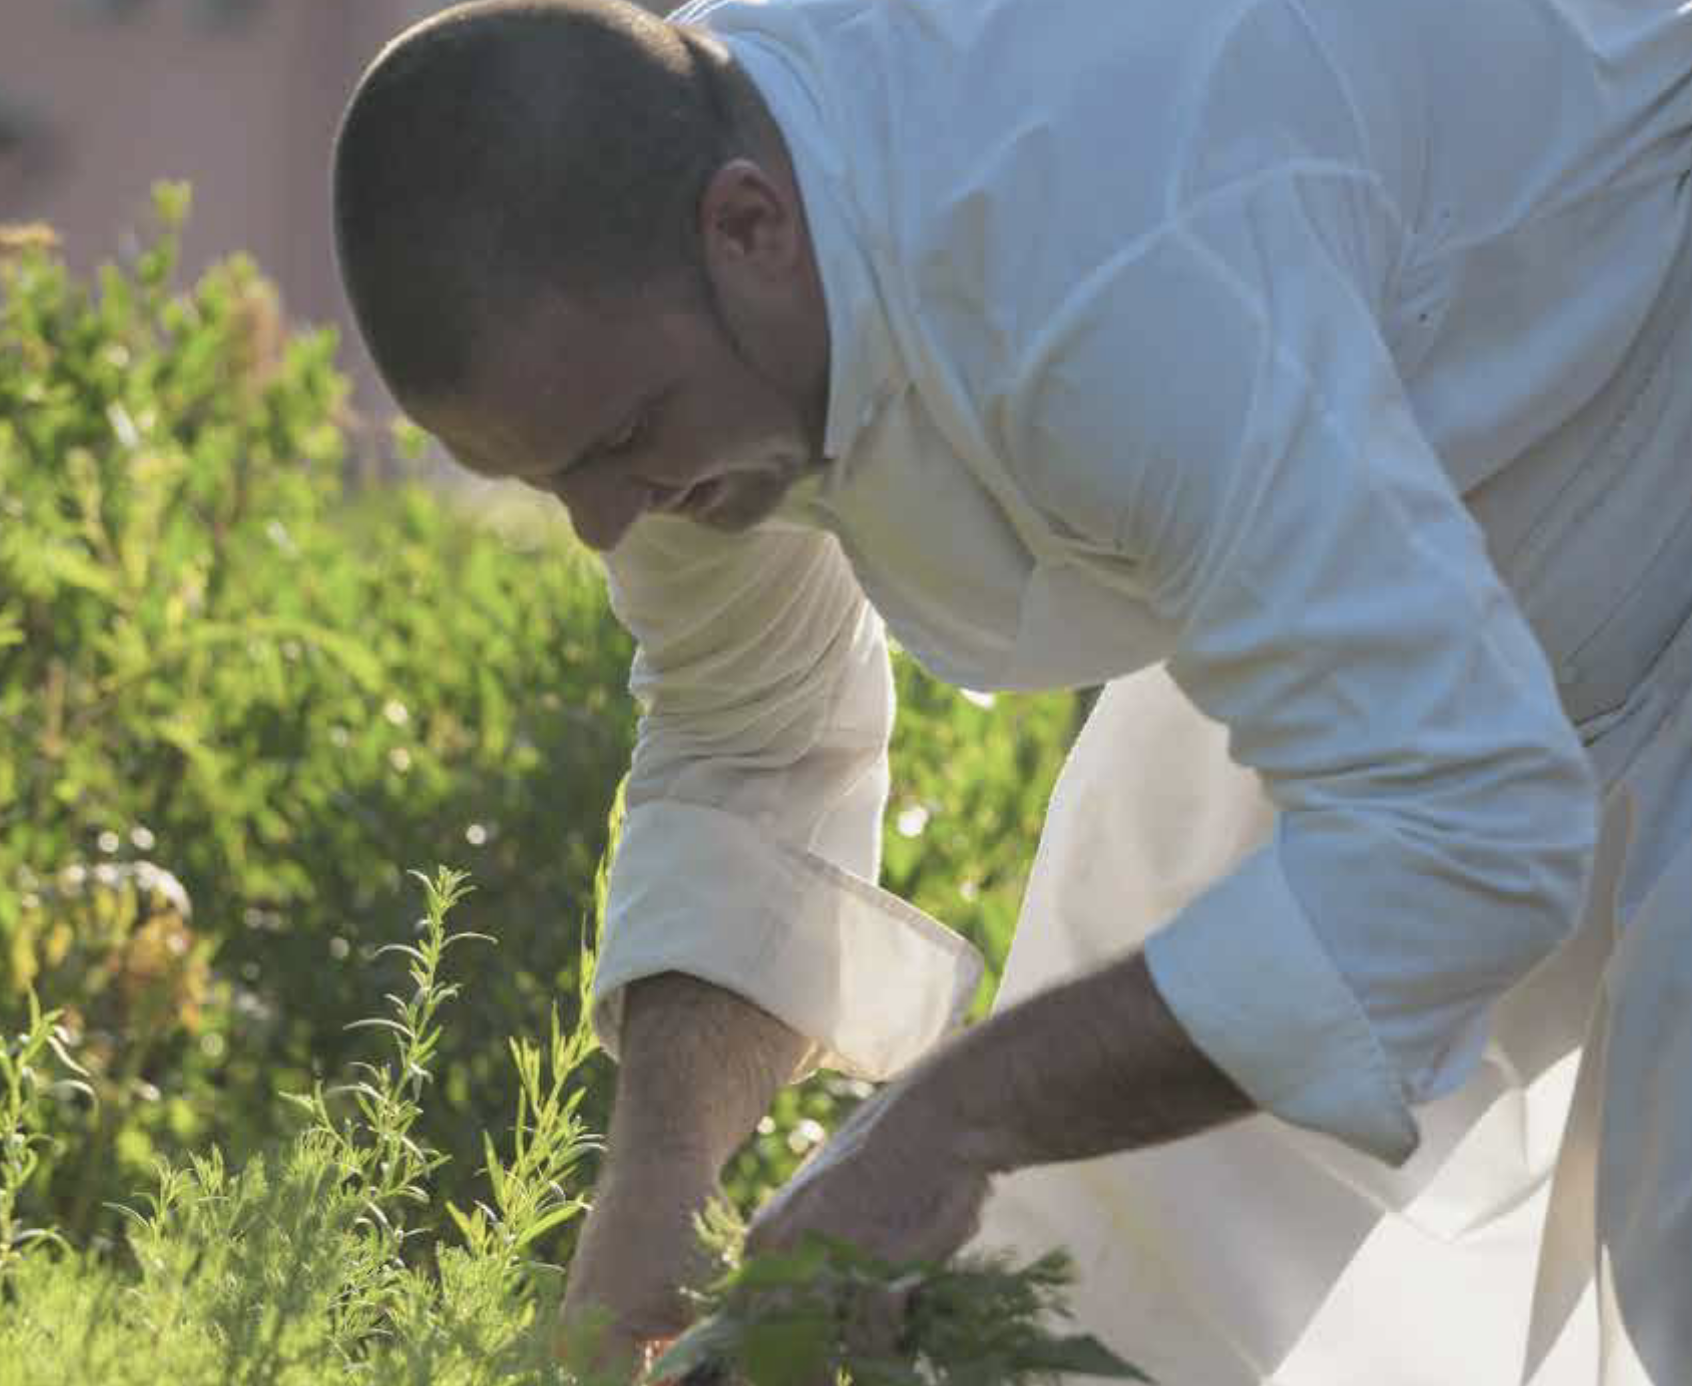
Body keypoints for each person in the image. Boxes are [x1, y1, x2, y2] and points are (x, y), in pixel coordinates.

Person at [330, 0, 1692, 1379]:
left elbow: (1469, 836)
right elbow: (745, 724)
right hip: (1391, 590)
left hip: (1652, 447)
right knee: (1081, 1289)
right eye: (549, 475)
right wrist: (655, 1188)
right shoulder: (673, 285)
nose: (608, 527)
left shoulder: (1113, 256)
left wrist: (946, 1118)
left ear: (749, 227)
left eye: (622, 442)